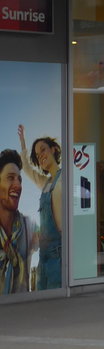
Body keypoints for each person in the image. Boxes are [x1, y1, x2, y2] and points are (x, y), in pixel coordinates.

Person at [18, 126, 61, 289]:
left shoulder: (66, 178)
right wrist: (23, 144)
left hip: (58, 257)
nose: (41, 155)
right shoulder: (45, 183)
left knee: (57, 307)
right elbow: (27, 168)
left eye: (43, 150)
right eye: (37, 155)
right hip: (43, 259)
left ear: (54, 149)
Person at [0, 148, 34, 294]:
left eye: (19, 179)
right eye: (10, 177)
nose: (18, 185)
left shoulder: (29, 227)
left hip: (23, 308)